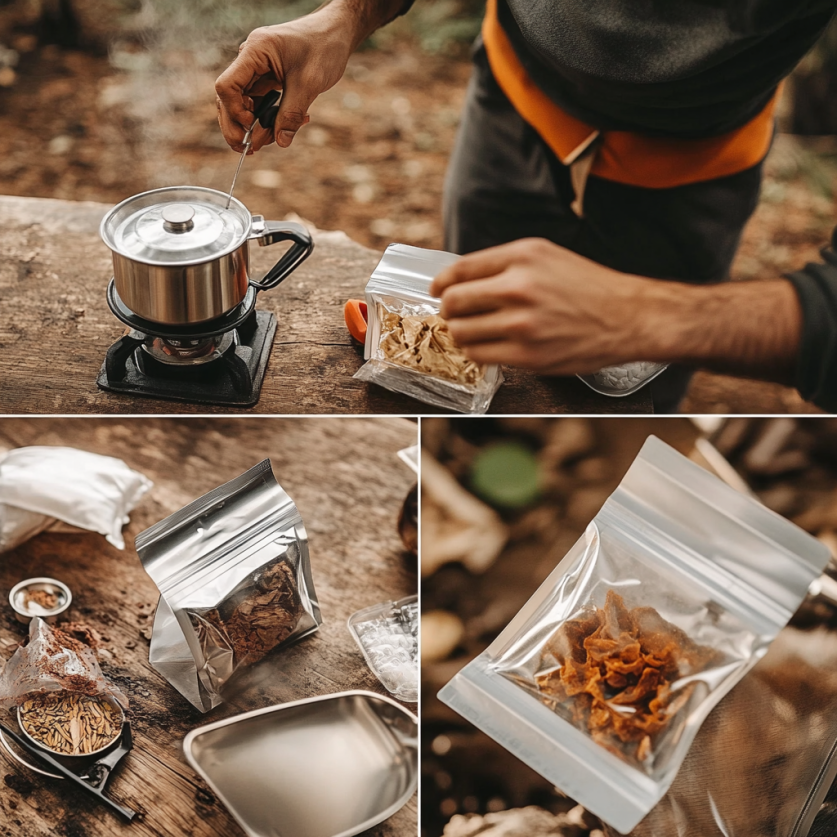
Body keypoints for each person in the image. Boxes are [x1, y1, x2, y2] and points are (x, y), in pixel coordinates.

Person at [215, 0, 837, 413]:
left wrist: (654, 317)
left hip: (693, 171)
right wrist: (349, 14)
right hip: (510, 108)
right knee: (454, 373)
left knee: (619, 415)